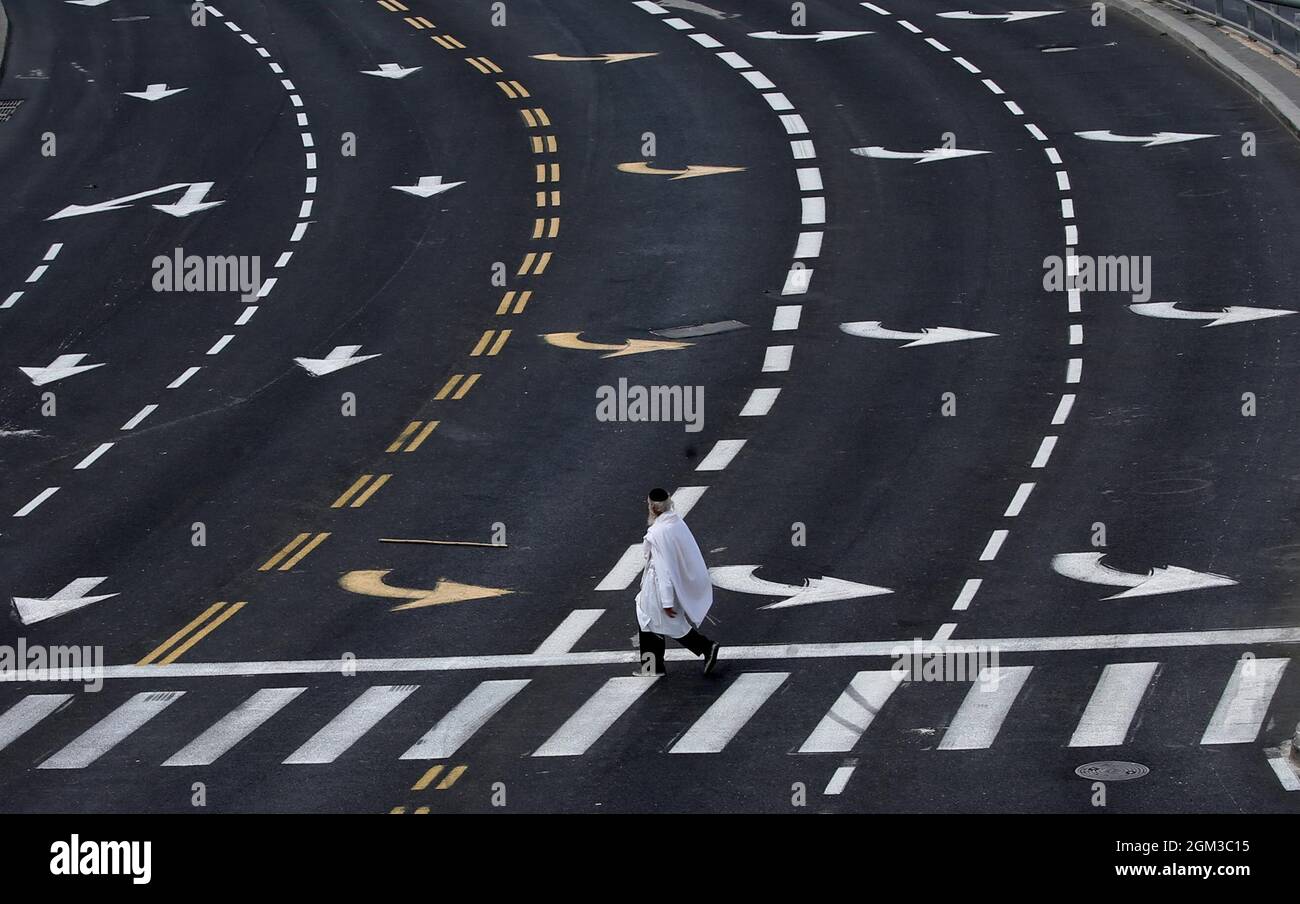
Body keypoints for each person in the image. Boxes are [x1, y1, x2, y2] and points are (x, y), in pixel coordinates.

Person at [634, 488, 720, 676]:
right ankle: (653, 667)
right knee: (646, 619)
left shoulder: (657, 532)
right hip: (675, 583)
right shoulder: (676, 522)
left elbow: (663, 570)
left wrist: (666, 601)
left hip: (658, 587)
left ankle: (707, 647)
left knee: (665, 623)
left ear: (653, 509)